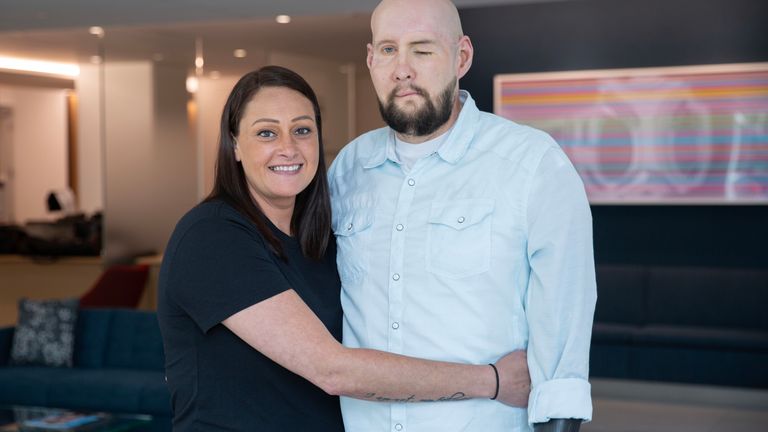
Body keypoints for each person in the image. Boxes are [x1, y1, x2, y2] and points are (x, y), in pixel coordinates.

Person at [157, 65, 532, 432]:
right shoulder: (212, 236)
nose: (288, 148)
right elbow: (333, 370)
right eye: (267, 133)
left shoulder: (319, 239)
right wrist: (493, 381)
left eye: (302, 130)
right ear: (235, 145)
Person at [328, 1, 597, 431]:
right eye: (388, 50)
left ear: (462, 57)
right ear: (370, 59)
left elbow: (563, 320)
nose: (402, 69)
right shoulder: (346, 169)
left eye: (422, 49)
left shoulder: (531, 163)